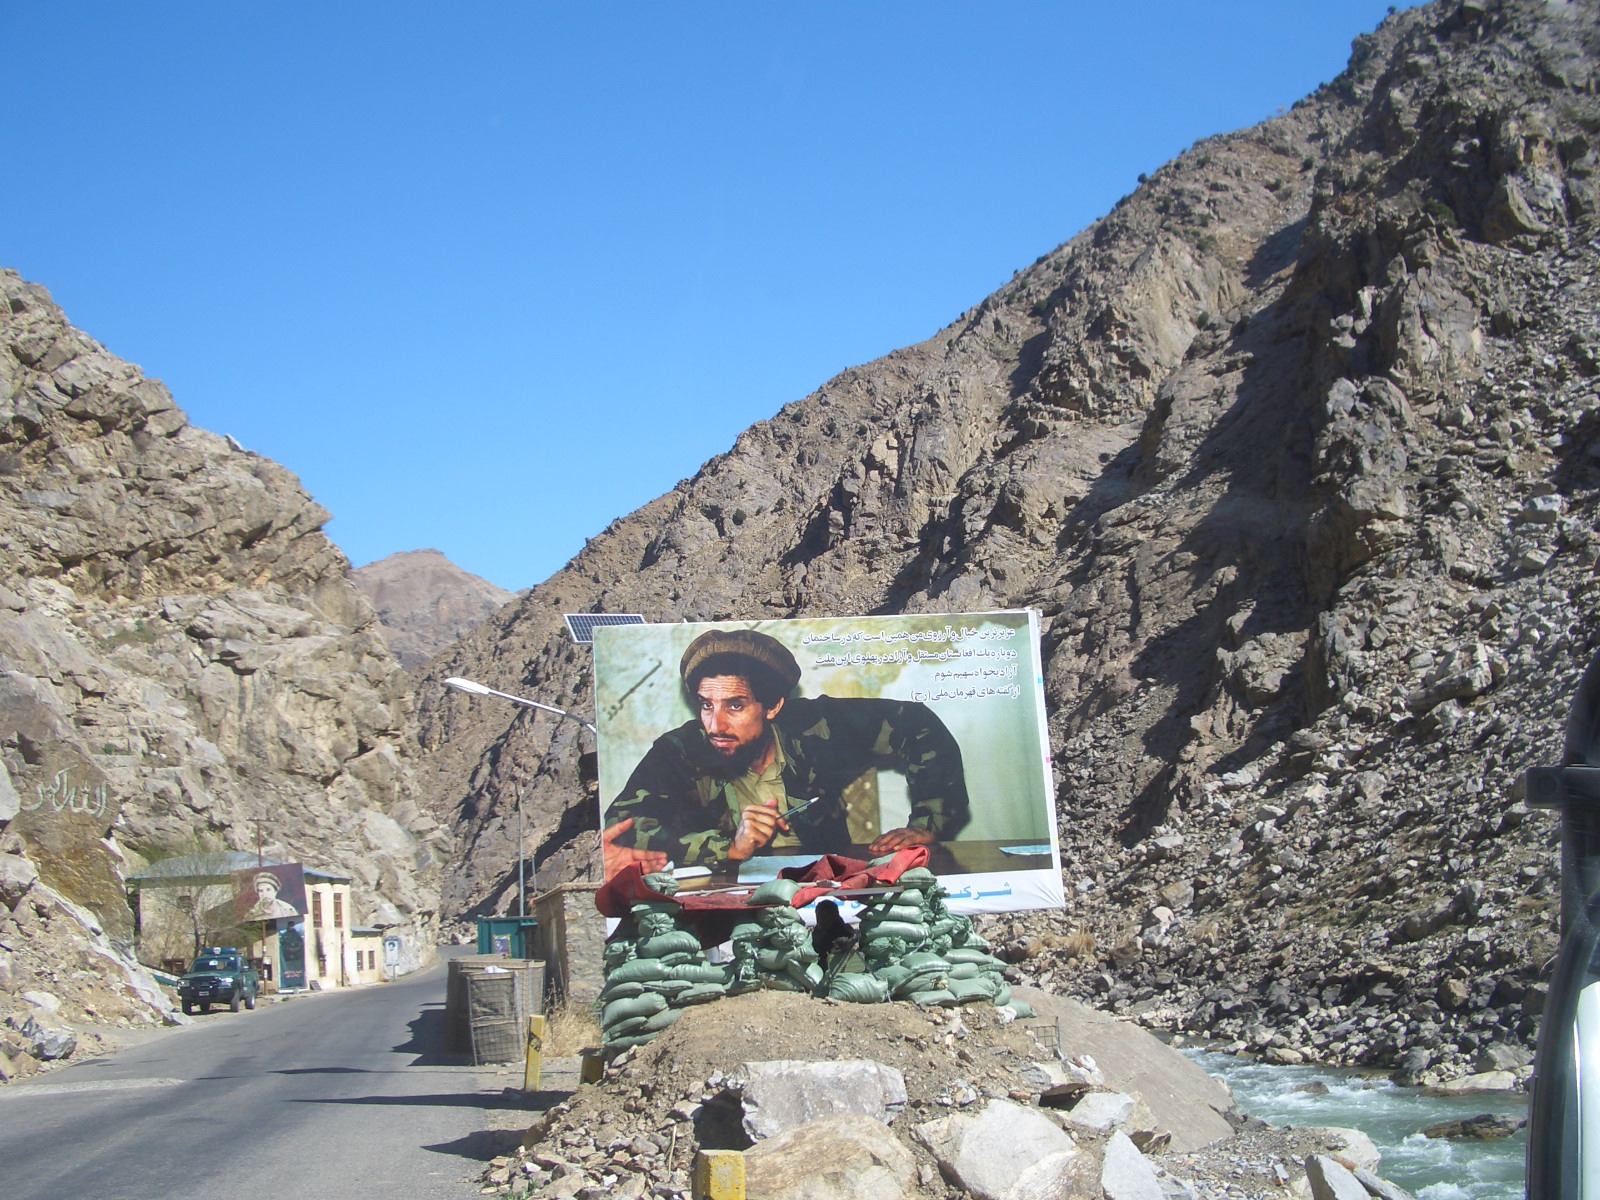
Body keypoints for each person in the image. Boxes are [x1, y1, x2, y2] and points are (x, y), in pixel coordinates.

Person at [603, 628, 969, 876]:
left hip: (829, 887)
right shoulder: (680, 749)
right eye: (705, 705)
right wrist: (727, 847)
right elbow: (624, 827)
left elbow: (916, 724)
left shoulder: (818, 727)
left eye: (734, 706)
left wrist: (929, 823)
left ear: (773, 706)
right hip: (731, 899)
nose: (715, 725)